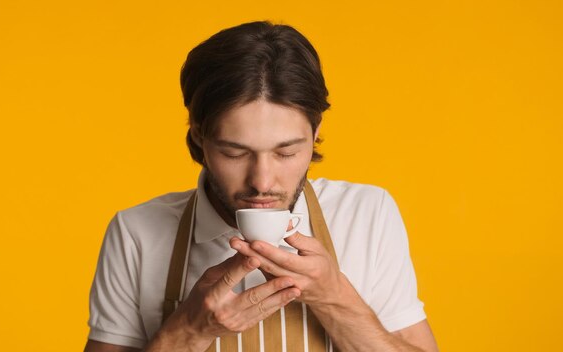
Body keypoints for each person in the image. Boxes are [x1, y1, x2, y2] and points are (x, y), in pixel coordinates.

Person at [84, 21, 439, 352]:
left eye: (286, 152)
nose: (262, 182)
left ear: (314, 136)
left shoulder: (366, 213)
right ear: (199, 135)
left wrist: (335, 297)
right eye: (235, 152)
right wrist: (190, 330)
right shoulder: (136, 232)